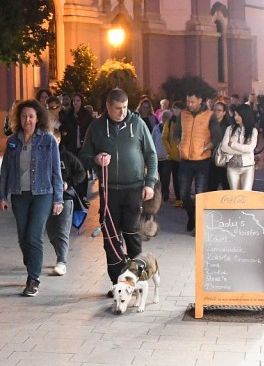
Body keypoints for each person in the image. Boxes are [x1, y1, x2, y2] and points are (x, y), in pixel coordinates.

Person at [80, 88, 158, 290]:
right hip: (109, 191)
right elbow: (84, 156)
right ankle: (118, 284)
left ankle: (136, 281)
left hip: (134, 189)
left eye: (125, 107)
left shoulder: (138, 124)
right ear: (108, 106)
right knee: (111, 238)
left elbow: (151, 154)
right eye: (117, 108)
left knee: (132, 234)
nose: (122, 112)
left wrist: (150, 183)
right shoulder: (96, 127)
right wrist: (96, 159)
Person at [0, 99, 64, 296]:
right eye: (24, 116)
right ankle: (32, 261)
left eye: (31, 116)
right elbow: (5, 170)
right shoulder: (13, 141)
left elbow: (56, 171)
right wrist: (2, 196)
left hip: (43, 194)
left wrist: (58, 199)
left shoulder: (48, 140)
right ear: (18, 118)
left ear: (38, 119)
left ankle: (33, 279)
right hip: (19, 194)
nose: (27, 120)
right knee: (23, 237)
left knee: (34, 235)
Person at [176, 87, 221, 232]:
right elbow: (176, 133)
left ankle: (199, 225)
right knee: (183, 194)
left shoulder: (209, 115)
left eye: (192, 101)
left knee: (200, 194)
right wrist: (178, 144)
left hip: (202, 160)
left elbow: (216, 136)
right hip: (185, 160)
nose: (189, 104)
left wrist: (207, 147)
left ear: (200, 100)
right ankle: (192, 216)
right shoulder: (183, 114)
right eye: (188, 101)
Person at [46, 130, 86, 276]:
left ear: (58, 140)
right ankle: (60, 254)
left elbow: (81, 172)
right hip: (46, 199)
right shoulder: (41, 156)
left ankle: (62, 262)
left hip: (66, 198)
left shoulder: (67, 156)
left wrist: (68, 183)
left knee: (62, 230)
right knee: (51, 232)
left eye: (51, 138)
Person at [219, 103, 259, 191]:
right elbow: (224, 148)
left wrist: (233, 145)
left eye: (238, 115)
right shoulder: (230, 129)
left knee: (246, 195)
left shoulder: (253, 131)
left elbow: (250, 148)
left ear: (245, 116)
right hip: (232, 167)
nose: (236, 117)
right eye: (235, 115)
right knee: (235, 195)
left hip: (248, 167)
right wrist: (242, 150)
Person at [161, 102, 184, 207]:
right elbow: (164, 138)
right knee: (175, 178)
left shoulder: (187, 121)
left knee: (185, 179)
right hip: (173, 156)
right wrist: (170, 150)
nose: (176, 111)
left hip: (185, 155)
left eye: (178, 109)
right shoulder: (170, 122)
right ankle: (178, 198)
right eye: (175, 109)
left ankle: (184, 198)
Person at [208, 101, 231, 190]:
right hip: (210, 159)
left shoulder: (228, 127)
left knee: (226, 185)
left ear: (224, 112)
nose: (216, 112)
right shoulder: (207, 124)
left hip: (224, 159)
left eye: (219, 110)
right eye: (214, 110)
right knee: (211, 186)